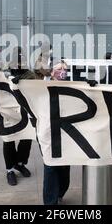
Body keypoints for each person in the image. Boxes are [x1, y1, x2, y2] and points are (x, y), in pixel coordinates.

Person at [4, 46, 33, 186]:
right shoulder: (4, 73)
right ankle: (10, 170)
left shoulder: (28, 72)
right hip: (8, 112)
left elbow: (33, 80)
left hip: (25, 111)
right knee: (8, 140)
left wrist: (20, 79)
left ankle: (20, 163)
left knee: (26, 138)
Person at [43, 60, 71, 205]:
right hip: (49, 133)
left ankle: (60, 193)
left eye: (65, 69)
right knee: (51, 167)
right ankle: (50, 202)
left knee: (65, 169)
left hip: (68, 134)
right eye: (60, 69)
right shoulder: (43, 87)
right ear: (52, 72)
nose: (63, 72)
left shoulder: (72, 87)